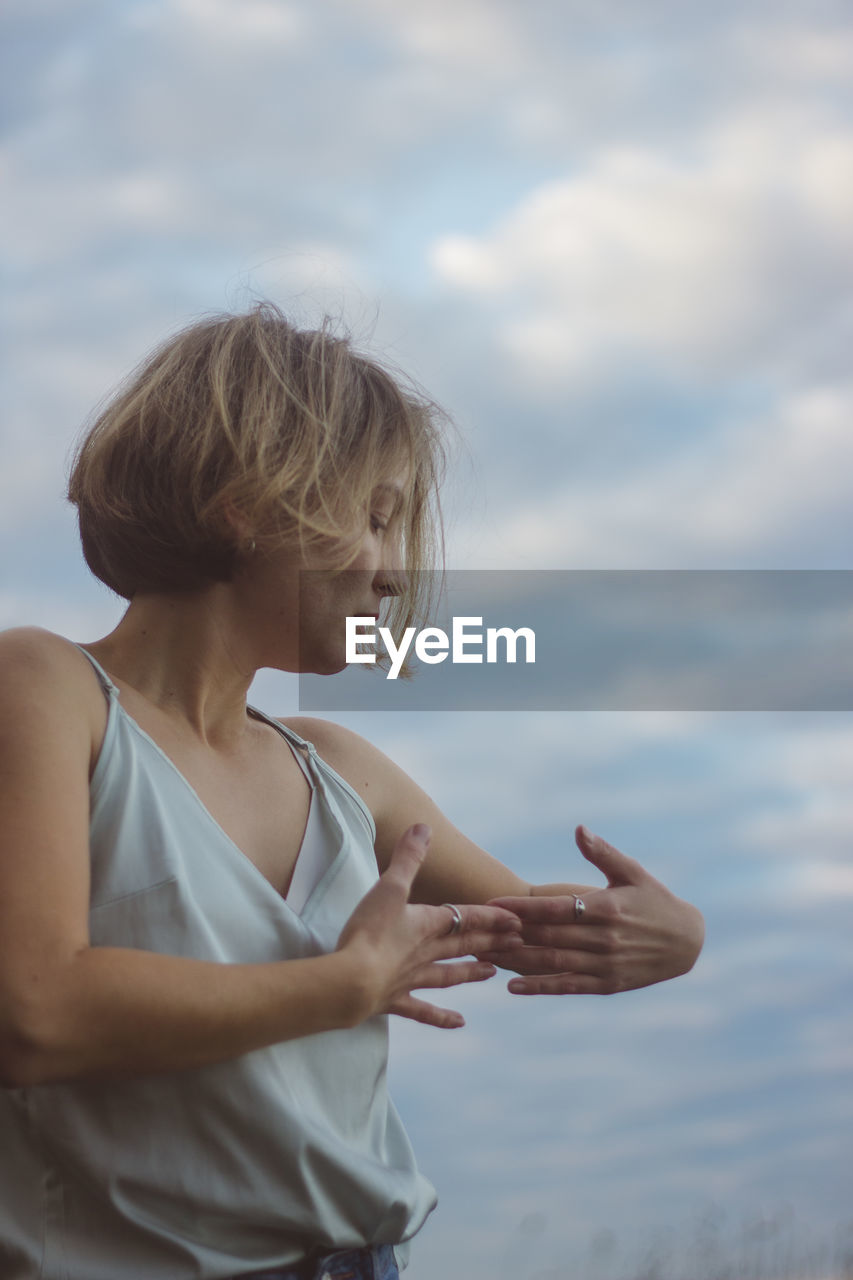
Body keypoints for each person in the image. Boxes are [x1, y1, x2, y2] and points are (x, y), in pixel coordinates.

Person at [0, 303, 704, 1280]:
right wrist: (340, 986)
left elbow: (536, 920)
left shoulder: (340, 766)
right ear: (246, 502)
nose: (391, 572)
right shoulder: (44, 689)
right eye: (374, 517)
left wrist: (665, 933)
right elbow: (32, 1011)